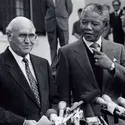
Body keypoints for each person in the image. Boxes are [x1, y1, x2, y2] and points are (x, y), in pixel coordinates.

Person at [56, 3, 125, 125]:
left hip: (115, 120)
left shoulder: (119, 49)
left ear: (105, 25)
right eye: (84, 22)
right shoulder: (66, 52)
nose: (88, 27)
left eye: (94, 24)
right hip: (84, 120)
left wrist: (112, 66)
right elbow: (63, 96)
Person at [0, 17, 58, 125]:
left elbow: (54, 99)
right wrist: (22, 122)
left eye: (31, 35)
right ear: (9, 37)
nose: (27, 41)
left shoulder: (43, 64)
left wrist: (52, 114)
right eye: (22, 35)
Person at [41, 0, 73, 76]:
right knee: (53, 47)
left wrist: (63, 16)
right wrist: (49, 17)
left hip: (63, 23)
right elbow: (43, 10)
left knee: (65, 46)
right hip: (51, 23)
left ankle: (66, 65)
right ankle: (54, 68)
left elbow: (70, 8)